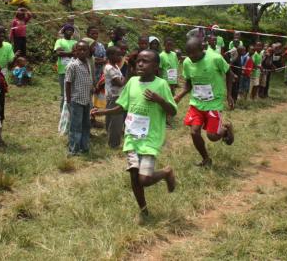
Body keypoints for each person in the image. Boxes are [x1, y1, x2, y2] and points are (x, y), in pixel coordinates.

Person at [92, 50, 177, 220]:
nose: (140, 64)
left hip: (150, 139)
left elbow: (172, 111)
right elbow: (122, 106)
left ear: (155, 66)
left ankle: (166, 172)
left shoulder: (161, 85)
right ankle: (143, 210)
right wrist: (103, 111)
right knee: (134, 175)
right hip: (132, 137)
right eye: (138, 61)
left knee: (144, 179)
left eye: (145, 61)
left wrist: (159, 100)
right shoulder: (131, 82)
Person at [175, 38, 235, 167]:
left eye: (194, 53)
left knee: (212, 136)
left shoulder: (215, 58)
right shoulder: (187, 62)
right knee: (194, 132)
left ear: (202, 49)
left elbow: (230, 74)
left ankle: (225, 128)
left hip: (214, 103)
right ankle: (206, 159)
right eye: (188, 53)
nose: (191, 57)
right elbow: (188, 85)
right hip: (196, 103)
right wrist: (178, 97)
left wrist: (229, 95)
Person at [65, 41, 93, 156]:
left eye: (84, 50)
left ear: (88, 52)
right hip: (76, 100)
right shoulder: (73, 65)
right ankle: (73, 149)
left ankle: (84, 146)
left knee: (86, 124)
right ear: (75, 52)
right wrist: (68, 100)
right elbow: (68, 83)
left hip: (87, 99)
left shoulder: (88, 63)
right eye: (79, 50)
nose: (82, 52)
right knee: (76, 126)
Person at [0, 24, 18, 145]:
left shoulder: (8, 46)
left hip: (2, 83)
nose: (1, 36)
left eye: (3, 33)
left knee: (0, 109)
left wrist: (15, 59)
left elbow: (10, 65)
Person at [103, 45, 125, 148]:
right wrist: (128, 77)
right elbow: (119, 83)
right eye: (118, 55)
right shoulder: (109, 67)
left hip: (117, 95)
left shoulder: (115, 66)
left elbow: (120, 80)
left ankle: (111, 140)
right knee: (116, 120)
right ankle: (113, 143)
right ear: (111, 55)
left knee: (112, 118)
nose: (120, 57)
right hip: (114, 96)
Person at [55, 24, 77, 110]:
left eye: (71, 30)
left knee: (73, 91)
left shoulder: (75, 42)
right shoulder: (59, 41)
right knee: (64, 92)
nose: (70, 31)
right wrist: (71, 53)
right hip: (62, 70)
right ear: (64, 31)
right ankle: (63, 111)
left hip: (74, 69)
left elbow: (77, 53)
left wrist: (65, 53)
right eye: (68, 30)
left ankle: (71, 109)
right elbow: (58, 53)